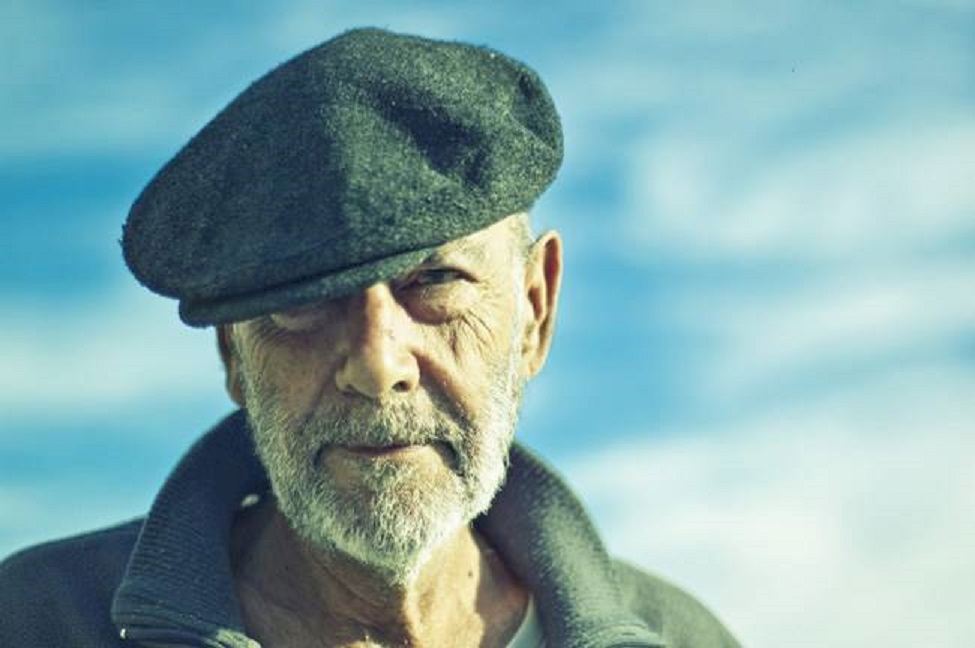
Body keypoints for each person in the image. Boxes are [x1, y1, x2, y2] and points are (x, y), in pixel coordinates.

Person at [0, 28, 740, 647]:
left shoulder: (684, 638)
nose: (377, 362)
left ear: (534, 311)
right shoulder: (37, 622)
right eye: (303, 301)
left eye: (436, 280)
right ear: (234, 353)